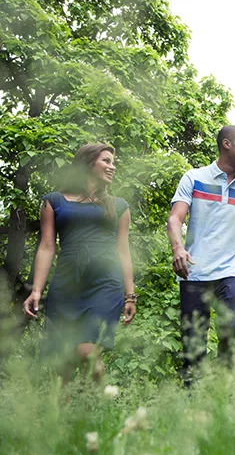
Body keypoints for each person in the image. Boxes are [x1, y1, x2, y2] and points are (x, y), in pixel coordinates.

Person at [23, 143, 136, 384]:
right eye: (106, 161)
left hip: (105, 285)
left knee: (88, 351)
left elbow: (124, 252)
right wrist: (36, 290)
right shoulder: (53, 201)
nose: (112, 167)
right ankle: (71, 417)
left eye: (113, 162)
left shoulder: (118, 207)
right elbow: (46, 247)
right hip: (67, 286)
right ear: (87, 163)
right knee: (63, 367)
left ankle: (103, 406)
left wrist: (130, 295)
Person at [167, 125, 235, 386]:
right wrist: (178, 248)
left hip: (230, 274)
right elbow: (175, 219)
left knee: (231, 331)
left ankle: (225, 393)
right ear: (226, 144)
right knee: (193, 345)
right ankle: (191, 402)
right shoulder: (193, 178)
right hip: (194, 272)